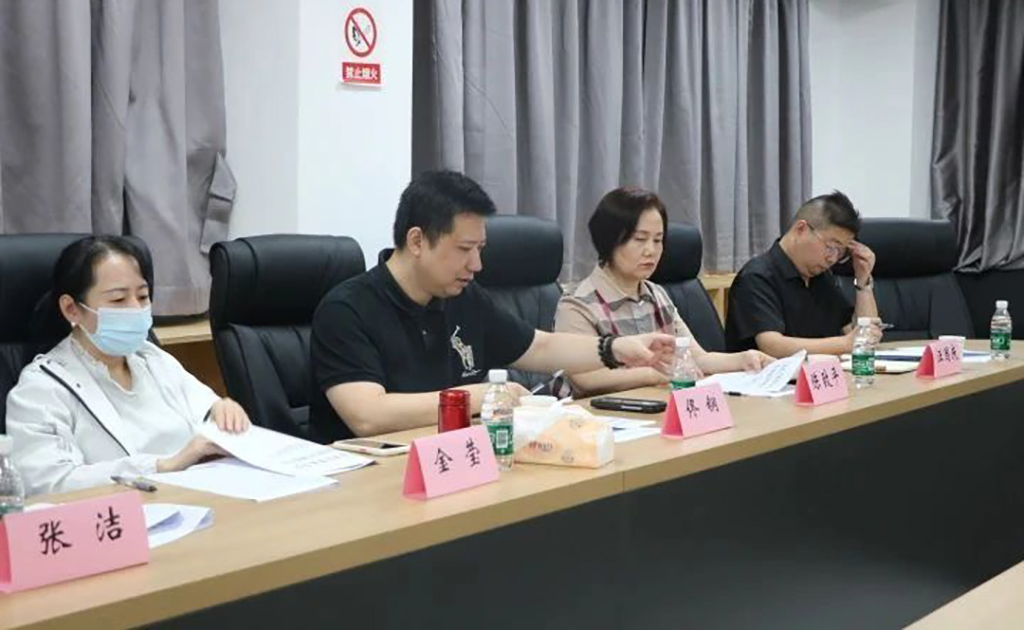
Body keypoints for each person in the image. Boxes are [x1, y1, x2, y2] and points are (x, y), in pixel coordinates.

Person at [310, 171, 676, 440]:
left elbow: (539, 346)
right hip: (367, 483)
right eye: (464, 249)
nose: (477, 265)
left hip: (454, 463)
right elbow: (368, 415)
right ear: (417, 241)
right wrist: (482, 396)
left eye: (480, 249)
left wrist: (615, 348)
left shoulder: (462, 297)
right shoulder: (347, 310)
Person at [5, 236, 251, 497]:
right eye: (118, 299)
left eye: (143, 296)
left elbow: (207, 412)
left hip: (198, 498)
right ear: (71, 309)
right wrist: (160, 466)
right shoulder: (41, 388)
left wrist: (223, 412)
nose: (136, 308)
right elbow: (48, 484)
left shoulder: (152, 358)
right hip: (121, 516)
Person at [555, 187, 773, 396]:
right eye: (640, 239)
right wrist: (654, 375)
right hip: (595, 416)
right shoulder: (578, 304)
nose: (651, 250)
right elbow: (587, 378)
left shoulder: (656, 294)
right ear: (609, 241)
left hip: (655, 407)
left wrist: (744, 359)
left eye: (658, 240)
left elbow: (695, 358)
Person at [725, 191, 880, 357]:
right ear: (801, 229)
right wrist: (847, 343)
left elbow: (859, 333)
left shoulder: (821, 277)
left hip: (819, 371)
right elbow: (772, 346)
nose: (833, 258)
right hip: (766, 373)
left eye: (841, 252)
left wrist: (863, 282)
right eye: (831, 247)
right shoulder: (757, 276)